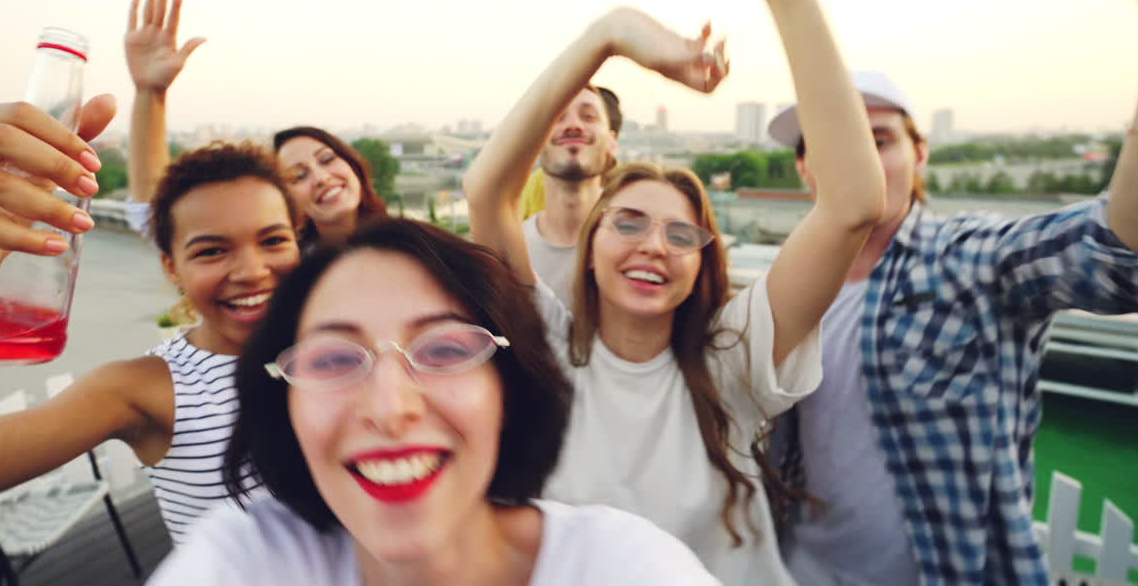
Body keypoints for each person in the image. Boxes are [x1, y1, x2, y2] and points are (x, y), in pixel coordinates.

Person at [462, 0, 885, 583]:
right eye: (627, 223)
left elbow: (853, 205)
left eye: (681, 233)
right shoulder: (548, 353)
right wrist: (608, 34)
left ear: (702, 263)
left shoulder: (735, 361)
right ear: (590, 248)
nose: (655, 244)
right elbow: (486, 191)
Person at [767, 0, 1138, 582]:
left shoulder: (964, 260)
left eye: (879, 139)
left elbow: (1117, 258)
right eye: (831, 142)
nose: (857, 160)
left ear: (920, 152)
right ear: (806, 170)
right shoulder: (781, 290)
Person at [148, 218, 722, 585]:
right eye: (332, 359)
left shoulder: (620, 568)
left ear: (509, 390)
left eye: (445, 350)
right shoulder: (249, 558)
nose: (391, 407)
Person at [0, 95, 303, 544]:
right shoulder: (151, 388)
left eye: (273, 240)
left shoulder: (339, 340)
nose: (251, 271)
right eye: (211, 250)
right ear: (171, 266)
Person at [124, 0, 386, 253]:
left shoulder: (415, 247)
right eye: (298, 176)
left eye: (327, 159)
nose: (321, 178)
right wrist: (150, 93)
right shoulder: (285, 268)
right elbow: (162, 219)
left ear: (354, 165)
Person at [523, 84, 622, 305]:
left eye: (589, 116)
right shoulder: (510, 250)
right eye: (557, 116)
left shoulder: (636, 242)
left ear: (612, 142)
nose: (574, 125)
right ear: (535, 141)